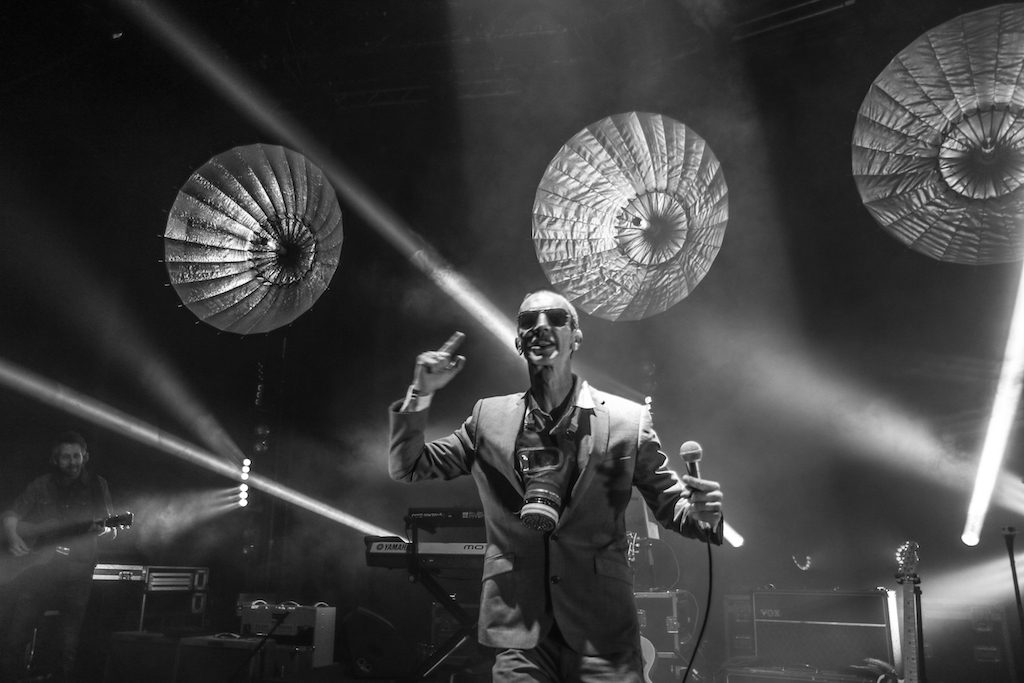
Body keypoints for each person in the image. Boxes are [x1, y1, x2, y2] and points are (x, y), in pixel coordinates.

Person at [389, 289, 724, 682]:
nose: (541, 326)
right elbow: (408, 466)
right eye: (528, 321)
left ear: (576, 337)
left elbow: (674, 508)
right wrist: (421, 393)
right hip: (520, 631)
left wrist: (704, 513)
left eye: (556, 318)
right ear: (519, 341)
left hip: (603, 630)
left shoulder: (626, 420)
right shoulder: (488, 418)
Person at [0, 430, 115, 683]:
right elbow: (11, 514)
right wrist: (14, 536)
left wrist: (105, 528)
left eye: (77, 456)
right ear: (55, 460)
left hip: (78, 572)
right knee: (16, 634)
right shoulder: (41, 484)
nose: (72, 462)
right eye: (65, 457)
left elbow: (109, 527)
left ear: (85, 456)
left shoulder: (98, 485)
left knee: (67, 640)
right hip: (40, 571)